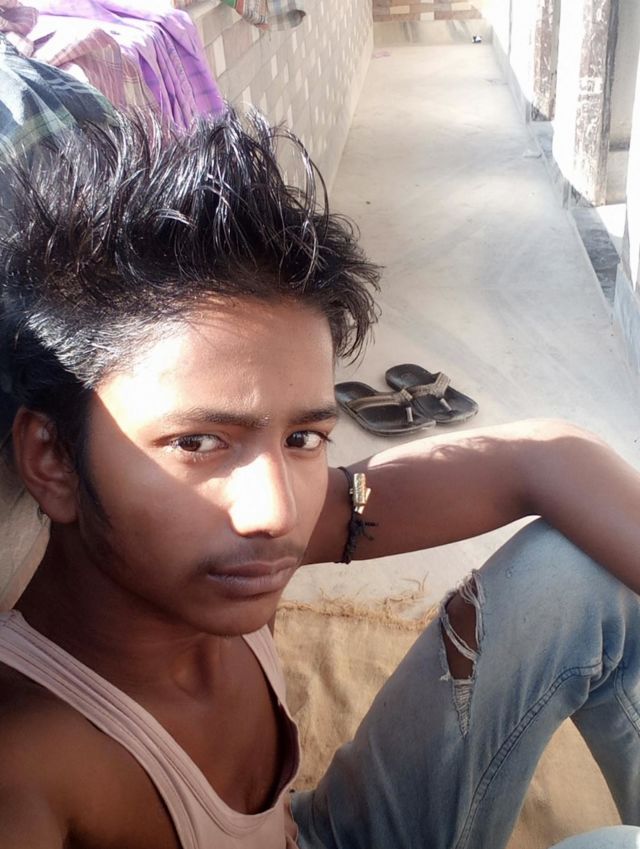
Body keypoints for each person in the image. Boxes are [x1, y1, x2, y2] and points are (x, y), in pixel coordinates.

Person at [0, 108, 639, 849]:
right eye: (198, 442)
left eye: (303, 437)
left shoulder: (224, 545)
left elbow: (547, 456)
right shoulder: (30, 767)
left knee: (581, 564)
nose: (278, 514)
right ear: (52, 458)